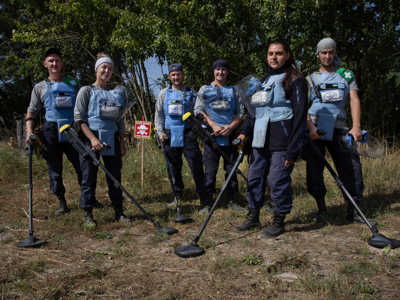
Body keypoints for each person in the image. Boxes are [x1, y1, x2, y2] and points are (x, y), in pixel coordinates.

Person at [234, 39, 308, 238]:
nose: (274, 57)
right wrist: (244, 133)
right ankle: (253, 216)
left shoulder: (295, 79)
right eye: (270, 54)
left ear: (287, 55)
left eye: (279, 53)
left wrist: (294, 149)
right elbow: (253, 112)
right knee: (254, 177)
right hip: (259, 139)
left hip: (282, 140)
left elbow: (300, 116)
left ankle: (279, 220)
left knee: (277, 180)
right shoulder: (262, 80)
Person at [301, 38, 376, 225]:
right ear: (317, 55)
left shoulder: (346, 75)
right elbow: (301, 107)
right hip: (316, 130)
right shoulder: (310, 79)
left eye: (330, 52)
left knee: (352, 167)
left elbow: (354, 100)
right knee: (314, 170)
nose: (327, 56)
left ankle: (355, 210)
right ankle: (321, 208)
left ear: (335, 53)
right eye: (323, 52)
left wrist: (356, 126)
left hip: (340, 129)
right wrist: (309, 127)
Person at [26, 48, 104, 215]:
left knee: (83, 165)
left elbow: (86, 105)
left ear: (61, 64)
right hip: (51, 131)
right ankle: (62, 202)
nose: (54, 64)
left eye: (57, 61)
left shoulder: (74, 84)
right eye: (51, 61)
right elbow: (31, 112)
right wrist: (29, 133)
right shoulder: (39, 87)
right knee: (54, 169)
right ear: (45, 64)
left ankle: (89, 198)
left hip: (73, 130)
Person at [74, 53, 131, 227]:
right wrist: (92, 139)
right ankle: (88, 214)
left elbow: (119, 120)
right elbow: (79, 119)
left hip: (111, 139)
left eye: (110, 68)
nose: (107, 71)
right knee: (89, 177)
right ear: (96, 69)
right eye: (103, 67)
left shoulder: (115, 94)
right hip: (90, 139)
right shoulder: (86, 91)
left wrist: (121, 141)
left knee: (115, 177)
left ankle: (119, 212)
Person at [193, 59, 246, 214]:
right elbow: (198, 110)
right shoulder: (204, 89)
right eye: (217, 70)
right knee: (210, 170)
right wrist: (213, 125)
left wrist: (230, 128)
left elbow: (241, 113)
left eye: (223, 69)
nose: (220, 72)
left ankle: (231, 200)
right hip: (211, 135)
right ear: (213, 71)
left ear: (227, 72)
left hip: (230, 135)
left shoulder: (235, 90)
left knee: (231, 168)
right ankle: (208, 202)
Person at [154, 63, 205, 206]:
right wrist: (160, 132)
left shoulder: (192, 92)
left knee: (196, 164)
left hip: (189, 134)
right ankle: (177, 194)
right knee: (173, 166)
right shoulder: (164, 93)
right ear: (169, 76)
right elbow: (158, 115)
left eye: (178, 74)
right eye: (173, 75)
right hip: (169, 134)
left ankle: (203, 196)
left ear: (183, 75)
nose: (176, 77)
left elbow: (199, 112)